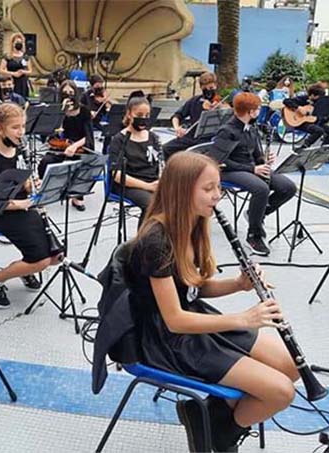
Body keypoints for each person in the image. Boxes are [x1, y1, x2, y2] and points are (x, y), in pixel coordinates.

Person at [127, 151, 298, 452]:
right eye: (208, 189)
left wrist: (238, 284)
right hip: (170, 339)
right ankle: (220, 436)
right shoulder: (157, 241)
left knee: (291, 367)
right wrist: (244, 318)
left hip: (196, 319)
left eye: (218, 186)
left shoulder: (192, 224)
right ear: (181, 191)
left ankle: (206, 415)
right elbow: (174, 320)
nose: (217, 195)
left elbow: (193, 289)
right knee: (281, 392)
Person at [0, 102, 62, 308]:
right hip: (2, 214)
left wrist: (32, 185)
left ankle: (25, 268)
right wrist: (20, 203)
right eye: (15, 127)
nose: (21, 132)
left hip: (25, 209)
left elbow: (24, 185)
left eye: (23, 126)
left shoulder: (19, 151)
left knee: (57, 256)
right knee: (41, 260)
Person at [216, 92, 297, 256]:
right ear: (251, 112)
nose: (260, 112)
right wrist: (252, 169)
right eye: (258, 109)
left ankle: (256, 215)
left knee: (288, 187)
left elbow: (256, 155)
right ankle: (254, 235)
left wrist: (264, 159)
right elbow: (218, 160)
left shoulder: (251, 129)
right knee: (261, 189)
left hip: (250, 168)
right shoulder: (227, 131)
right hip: (229, 171)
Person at [38, 79, 95, 210]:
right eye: (64, 93)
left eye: (71, 93)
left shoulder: (84, 111)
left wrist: (74, 146)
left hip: (79, 145)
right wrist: (61, 113)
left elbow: (88, 136)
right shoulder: (57, 110)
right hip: (60, 145)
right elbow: (50, 133)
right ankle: (43, 192)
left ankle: (77, 196)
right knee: (46, 161)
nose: (68, 96)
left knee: (86, 164)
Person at [107, 96, 162, 228]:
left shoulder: (153, 137)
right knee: (151, 204)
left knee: (180, 199)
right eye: (139, 115)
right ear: (129, 114)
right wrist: (148, 186)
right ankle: (143, 239)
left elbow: (160, 163)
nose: (143, 118)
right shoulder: (119, 139)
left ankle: (167, 236)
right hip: (129, 185)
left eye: (147, 115)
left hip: (152, 181)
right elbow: (117, 175)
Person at [163, 71, 228, 159]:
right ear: (201, 87)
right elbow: (176, 116)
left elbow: (229, 116)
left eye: (211, 88)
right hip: (191, 138)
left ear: (215, 86)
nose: (208, 91)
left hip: (211, 139)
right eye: (205, 89)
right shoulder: (194, 101)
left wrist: (220, 108)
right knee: (165, 149)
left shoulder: (220, 102)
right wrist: (177, 128)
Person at [282, 83, 329, 150]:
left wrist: (327, 117)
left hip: (313, 123)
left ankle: (324, 149)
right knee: (319, 130)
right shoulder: (304, 99)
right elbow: (286, 101)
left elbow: (318, 119)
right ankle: (304, 147)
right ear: (312, 95)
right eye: (319, 97)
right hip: (300, 122)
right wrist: (299, 108)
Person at [0, 33, 32, 99]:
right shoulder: (8, 56)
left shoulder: (25, 56)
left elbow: (30, 71)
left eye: (20, 42)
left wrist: (23, 72)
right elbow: (1, 70)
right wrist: (13, 73)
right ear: (12, 43)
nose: (19, 43)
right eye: (17, 42)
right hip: (12, 81)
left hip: (23, 83)